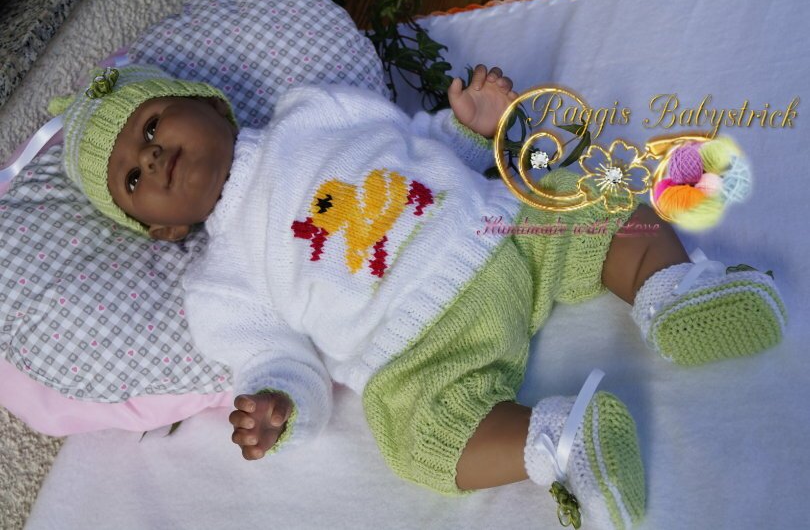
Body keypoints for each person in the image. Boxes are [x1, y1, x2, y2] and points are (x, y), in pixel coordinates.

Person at [51, 63, 786, 530]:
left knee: (587, 196)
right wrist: (278, 406)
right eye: (134, 178)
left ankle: (672, 293)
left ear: (211, 104)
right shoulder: (219, 286)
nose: (152, 155)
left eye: (152, 125)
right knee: (417, 439)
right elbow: (277, 362)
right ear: (162, 229)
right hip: (419, 347)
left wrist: (471, 129)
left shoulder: (313, 111)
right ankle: (562, 441)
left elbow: (411, 143)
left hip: (494, 227)